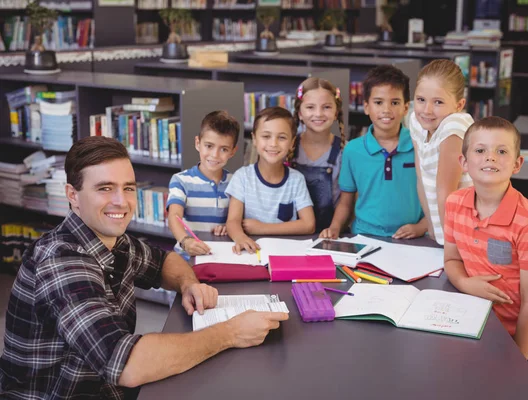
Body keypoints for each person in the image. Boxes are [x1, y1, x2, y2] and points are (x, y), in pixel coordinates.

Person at [0, 136, 289, 399]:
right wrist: (231, 333)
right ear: (72, 195)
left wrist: (189, 284)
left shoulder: (113, 239)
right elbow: (126, 364)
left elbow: (163, 261)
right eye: (104, 188)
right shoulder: (62, 262)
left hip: (105, 388)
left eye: (128, 188)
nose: (121, 202)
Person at [444, 116, 528, 388]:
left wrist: (517, 362)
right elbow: (451, 259)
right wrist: (466, 282)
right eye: (480, 150)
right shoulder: (455, 203)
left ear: (517, 164)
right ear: (464, 163)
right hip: (476, 326)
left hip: (523, 341)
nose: (490, 158)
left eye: (501, 151)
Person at [320, 65, 425, 239]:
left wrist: (422, 227)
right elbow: (346, 202)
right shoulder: (352, 150)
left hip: (414, 237)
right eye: (378, 102)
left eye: (395, 102)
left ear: (406, 108)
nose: (386, 110)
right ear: (366, 107)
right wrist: (335, 228)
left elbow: (436, 197)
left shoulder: (420, 146)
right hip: (364, 236)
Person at [226, 107, 315, 254]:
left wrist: (263, 228)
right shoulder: (242, 177)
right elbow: (233, 221)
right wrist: (240, 237)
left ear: (292, 142)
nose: (273, 144)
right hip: (252, 252)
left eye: (282, 137)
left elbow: (308, 224)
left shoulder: (296, 180)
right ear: (254, 139)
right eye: (266, 136)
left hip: (286, 253)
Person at [410, 59, 474, 245]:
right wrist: (432, 226)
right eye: (421, 100)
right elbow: (421, 175)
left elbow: (446, 192)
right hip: (444, 227)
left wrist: (449, 244)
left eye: (438, 102)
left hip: (465, 230)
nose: (427, 110)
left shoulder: (453, 127)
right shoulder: (416, 119)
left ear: (459, 105)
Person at [166, 111, 239, 260]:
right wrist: (185, 241)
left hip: (221, 257)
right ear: (198, 143)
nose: (215, 155)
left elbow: (238, 219)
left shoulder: (236, 182)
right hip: (187, 257)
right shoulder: (180, 180)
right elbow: (174, 216)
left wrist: (230, 228)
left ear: (233, 152)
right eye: (209, 146)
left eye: (224, 149)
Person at [290, 77, 345, 232]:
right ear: (300, 113)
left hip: (330, 234)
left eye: (326, 107)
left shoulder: (345, 152)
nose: (318, 114)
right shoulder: (287, 148)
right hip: (290, 232)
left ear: (336, 112)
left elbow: (347, 201)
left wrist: (335, 228)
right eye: (310, 107)